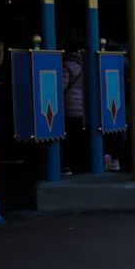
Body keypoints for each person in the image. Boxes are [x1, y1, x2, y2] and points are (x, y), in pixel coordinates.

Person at [61, 47, 85, 175]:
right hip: (83, 109)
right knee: (77, 138)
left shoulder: (67, 66)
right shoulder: (86, 65)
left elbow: (62, 87)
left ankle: (65, 166)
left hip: (69, 107)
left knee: (67, 139)